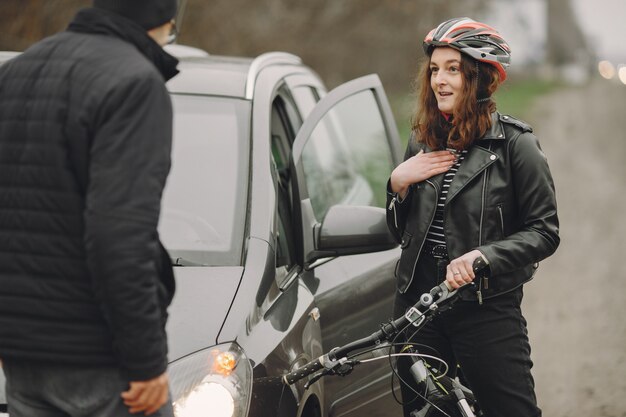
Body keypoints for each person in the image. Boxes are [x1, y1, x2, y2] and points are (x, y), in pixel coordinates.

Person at [0, 1, 179, 416]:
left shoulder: (14, 73)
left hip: (25, 361)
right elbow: (118, 237)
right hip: (99, 359)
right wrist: (147, 361)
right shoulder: (135, 83)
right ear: (164, 19)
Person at [386, 17, 560, 417]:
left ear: (480, 78)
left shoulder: (518, 145)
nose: (439, 81)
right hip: (417, 311)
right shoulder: (421, 141)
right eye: (434, 69)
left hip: (487, 312)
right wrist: (397, 184)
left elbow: (545, 232)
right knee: (428, 413)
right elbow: (399, 232)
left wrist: (481, 257)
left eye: (454, 69)